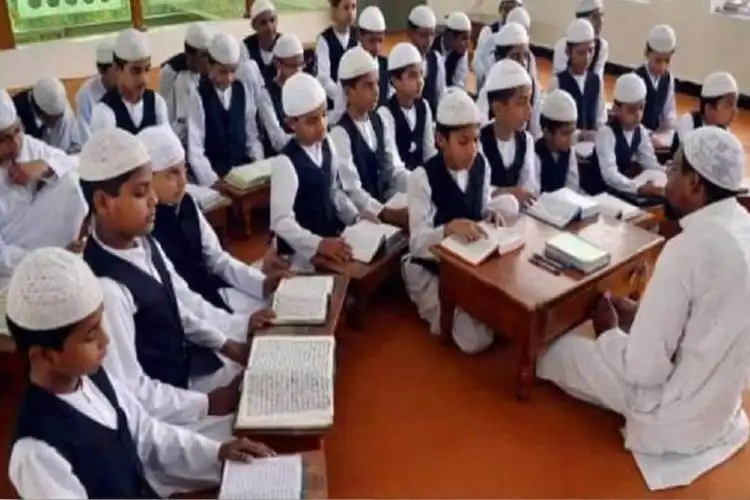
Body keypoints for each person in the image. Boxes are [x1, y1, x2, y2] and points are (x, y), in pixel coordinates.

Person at [538, 126, 750, 491]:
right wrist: (640, 314)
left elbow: (643, 369)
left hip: (675, 416)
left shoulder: (687, 250)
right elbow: (701, 324)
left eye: (674, 169)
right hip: (722, 406)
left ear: (696, 185)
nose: (666, 177)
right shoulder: (743, 227)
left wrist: (607, 330)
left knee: (554, 352)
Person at [7, 247, 274, 498]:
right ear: (43, 356)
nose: (106, 339)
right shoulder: (35, 451)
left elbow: (147, 435)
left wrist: (217, 454)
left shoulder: (94, 379)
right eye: (90, 335)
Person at [78, 128, 263, 398]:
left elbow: (176, 305)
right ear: (103, 202)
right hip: (166, 405)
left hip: (182, 374)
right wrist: (207, 405)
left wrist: (225, 344)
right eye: (142, 192)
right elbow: (134, 395)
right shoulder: (108, 289)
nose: (153, 200)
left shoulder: (143, 242)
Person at [402, 88, 519, 354]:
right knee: (475, 340)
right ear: (441, 140)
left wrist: (489, 213)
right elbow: (417, 244)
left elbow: (480, 204)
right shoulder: (421, 178)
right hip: (429, 267)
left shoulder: (482, 165)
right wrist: (447, 229)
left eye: (476, 140)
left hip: (470, 263)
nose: (473, 149)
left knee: (506, 318)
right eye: (463, 141)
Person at [140, 125, 285, 314]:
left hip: (211, 292)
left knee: (276, 304)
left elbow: (217, 259)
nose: (183, 181)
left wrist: (261, 283)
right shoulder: (145, 227)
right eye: (171, 174)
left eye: (184, 169)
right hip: (190, 312)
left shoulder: (188, 204)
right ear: (149, 179)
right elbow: (180, 299)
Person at [269, 72, 360, 271]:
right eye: (311, 121)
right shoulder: (286, 163)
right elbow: (281, 222)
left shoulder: (328, 145)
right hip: (299, 255)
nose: (321, 126)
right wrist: (317, 244)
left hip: (329, 238)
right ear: (291, 123)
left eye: (324, 115)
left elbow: (333, 190)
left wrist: (355, 217)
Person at [0, 89, 88, 289]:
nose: (14, 144)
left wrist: (44, 167)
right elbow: (2, 258)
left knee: (70, 183)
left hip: (51, 249)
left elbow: (81, 162)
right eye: (3, 139)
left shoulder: (26, 146)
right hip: (10, 271)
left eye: (16, 131)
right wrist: (49, 261)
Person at [331, 47, 410, 229]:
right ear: (348, 92)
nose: (376, 91)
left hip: (385, 207)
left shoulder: (380, 120)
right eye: (368, 85)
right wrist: (385, 213)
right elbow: (353, 191)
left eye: (376, 83)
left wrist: (420, 185)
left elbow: (394, 170)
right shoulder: (340, 134)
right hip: (362, 220)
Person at [187, 33, 264, 187]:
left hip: (243, 175)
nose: (229, 78)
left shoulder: (242, 90)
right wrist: (214, 182)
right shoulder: (198, 95)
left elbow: (251, 138)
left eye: (233, 71)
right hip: (215, 177)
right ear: (209, 65)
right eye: (223, 71)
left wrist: (259, 166)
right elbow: (195, 150)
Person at [479, 59, 538, 206]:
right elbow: (477, 191)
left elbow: (529, 188)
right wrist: (506, 193)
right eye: (521, 102)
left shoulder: (526, 141)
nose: (529, 110)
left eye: (529, 101)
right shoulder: (479, 142)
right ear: (498, 108)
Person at [90, 29, 170, 133]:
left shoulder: (157, 103)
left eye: (147, 69)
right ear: (117, 69)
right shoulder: (104, 112)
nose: (144, 80)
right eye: (136, 71)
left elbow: (167, 145)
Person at [377, 42, 437, 171]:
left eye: (421, 74)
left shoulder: (424, 107)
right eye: (412, 76)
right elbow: (393, 162)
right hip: (398, 184)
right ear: (395, 81)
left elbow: (429, 152)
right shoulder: (385, 113)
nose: (420, 81)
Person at [476, 22, 542, 138]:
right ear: (500, 58)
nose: (522, 62)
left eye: (525, 56)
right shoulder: (491, 86)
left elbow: (535, 129)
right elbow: (480, 126)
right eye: (515, 56)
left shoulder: (533, 86)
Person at [329, 5, 390, 126]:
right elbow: (339, 110)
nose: (377, 48)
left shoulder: (386, 64)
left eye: (380, 41)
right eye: (372, 41)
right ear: (359, 35)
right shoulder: (349, 63)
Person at [548, 19, 606, 142]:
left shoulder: (595, 81)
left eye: (591, 51)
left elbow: (601, 118)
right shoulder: (557, 82)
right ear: (568, 52)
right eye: (581, 53)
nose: (587, 58)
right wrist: (580, 135)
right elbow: (553, 125)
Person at [159, 23, 213, 143]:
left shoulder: (209, 69)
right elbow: (169, 116)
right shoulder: (172, 72)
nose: (208, 62)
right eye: (205, 57)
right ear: (195, 55)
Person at [12, 77, 89, 154]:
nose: (56, 123)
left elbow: (76, 145)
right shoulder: (14, 115)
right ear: (38, 111)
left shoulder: (62, 106)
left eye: (59, 117)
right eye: (51, 119)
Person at [257, 34, 304, 156]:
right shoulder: (266, 94)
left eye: (301, 65)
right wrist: (308, 136)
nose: (298, 71)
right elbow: (277, 140)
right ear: (278, 64)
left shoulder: (306, 86)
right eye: (293, 66)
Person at [474, 5, 533, 91]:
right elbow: (478, 61)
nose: (523, 62)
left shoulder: (528, 55)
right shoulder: (491, 37)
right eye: (515, 56)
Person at [315, 0, 359, 111]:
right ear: (334, 10)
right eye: (346, 8)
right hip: (332, 105)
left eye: (353, 7)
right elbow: (324, 79)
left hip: (355, 102)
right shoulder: (324, 39)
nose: (350, 13)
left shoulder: (358, 36)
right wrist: (343, 98)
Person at [635, 25, 678, 136]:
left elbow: (669, 112)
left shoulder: (668, 80)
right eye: (658, 60)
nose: (662, 66)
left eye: (667, 61)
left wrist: (667, 126)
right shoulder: (636, 78)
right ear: (647, 53)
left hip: (657, 136)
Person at [536, 89, 580, 193]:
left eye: (572, 132)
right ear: (547, 132)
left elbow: (572, 187)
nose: (570, 139)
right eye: (565, 134)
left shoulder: (569, 152)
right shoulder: (534, 154)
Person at [676, 72, 738, 145]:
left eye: (735, 105)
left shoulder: (726, 133)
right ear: (709, 108)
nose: (735, 111)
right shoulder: (690, 121)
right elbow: (689, 151)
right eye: (729, 105)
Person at [552, 0, 608, 79]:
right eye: (594, 17)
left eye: (601, 15)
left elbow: (597, 80)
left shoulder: (602, 47)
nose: (600, 22)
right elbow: (559, 81)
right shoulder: (562, 46)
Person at [406, 4, 444, 116]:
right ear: (410, 33)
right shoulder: (401, 61)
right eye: (423, 35)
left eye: (432, 34)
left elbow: (440, 96)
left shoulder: (436, 60)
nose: (428, 41)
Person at [75, 39, 118, 125]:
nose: (121, 74)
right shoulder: (86, 95)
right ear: (101, 70)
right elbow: (85, 132)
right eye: (116, 69)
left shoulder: (127, 87)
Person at [241, 0, 281, 87]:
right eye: (263, 23)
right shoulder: (245, 47)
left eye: (272, 20)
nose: (269, 28)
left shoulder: (285, 43)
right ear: (254, 26)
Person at [430, 11, 471, 90]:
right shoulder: (432, 48)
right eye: (464, 38)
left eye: (468, 39)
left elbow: (459, 83)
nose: (467, 44)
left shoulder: (461, 52)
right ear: (450, 36)